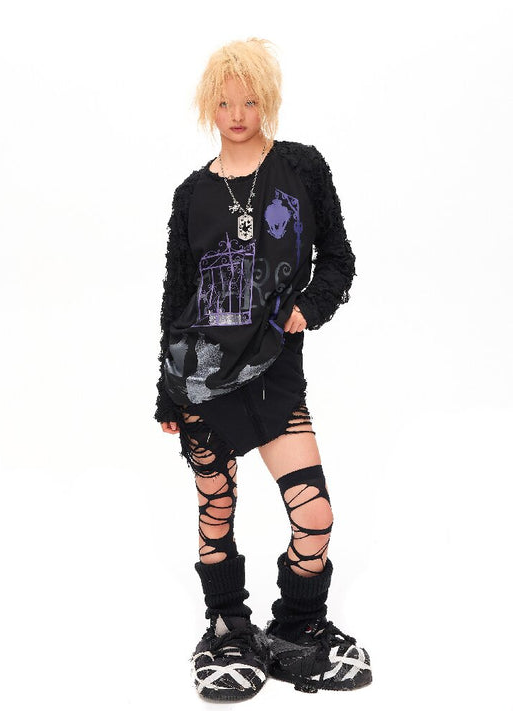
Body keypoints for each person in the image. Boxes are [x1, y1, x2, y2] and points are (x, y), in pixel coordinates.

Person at [155, 37, 372, 701]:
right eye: (224, 104)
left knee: (315, 514)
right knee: (215, 509)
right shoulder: (192, 194)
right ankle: (226, 627)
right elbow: (177, 295)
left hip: (275, 373)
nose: (236, 115)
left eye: (248, 102)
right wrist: (166, 393)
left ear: (266, 102)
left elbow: (337, 258)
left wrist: (307, 308)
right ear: (209, 106)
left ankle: (298, 625)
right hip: (202, 379)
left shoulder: (301, 168)